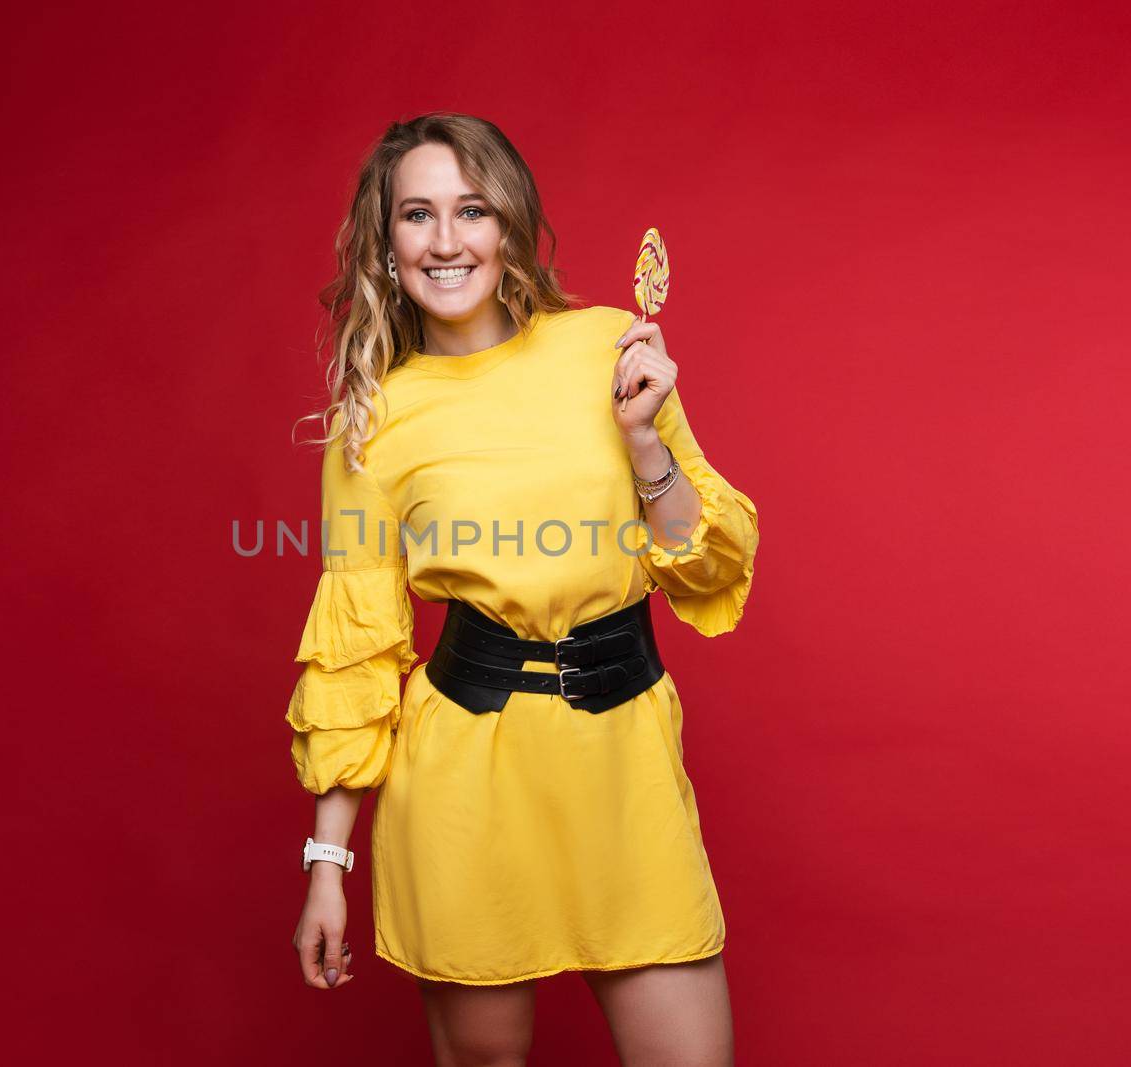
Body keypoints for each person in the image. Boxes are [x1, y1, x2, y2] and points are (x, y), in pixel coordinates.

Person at [286, 112, 760, 1067]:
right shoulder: (375, 423)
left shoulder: (604, 351)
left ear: (508, 224)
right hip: (465, 780)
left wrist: (644, 444)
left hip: (623, 766)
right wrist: (327, 866)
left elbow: (710, 567)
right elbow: (359, 642)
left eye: (470, 209)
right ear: (387, 244)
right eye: (417, 214)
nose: (447, 239)